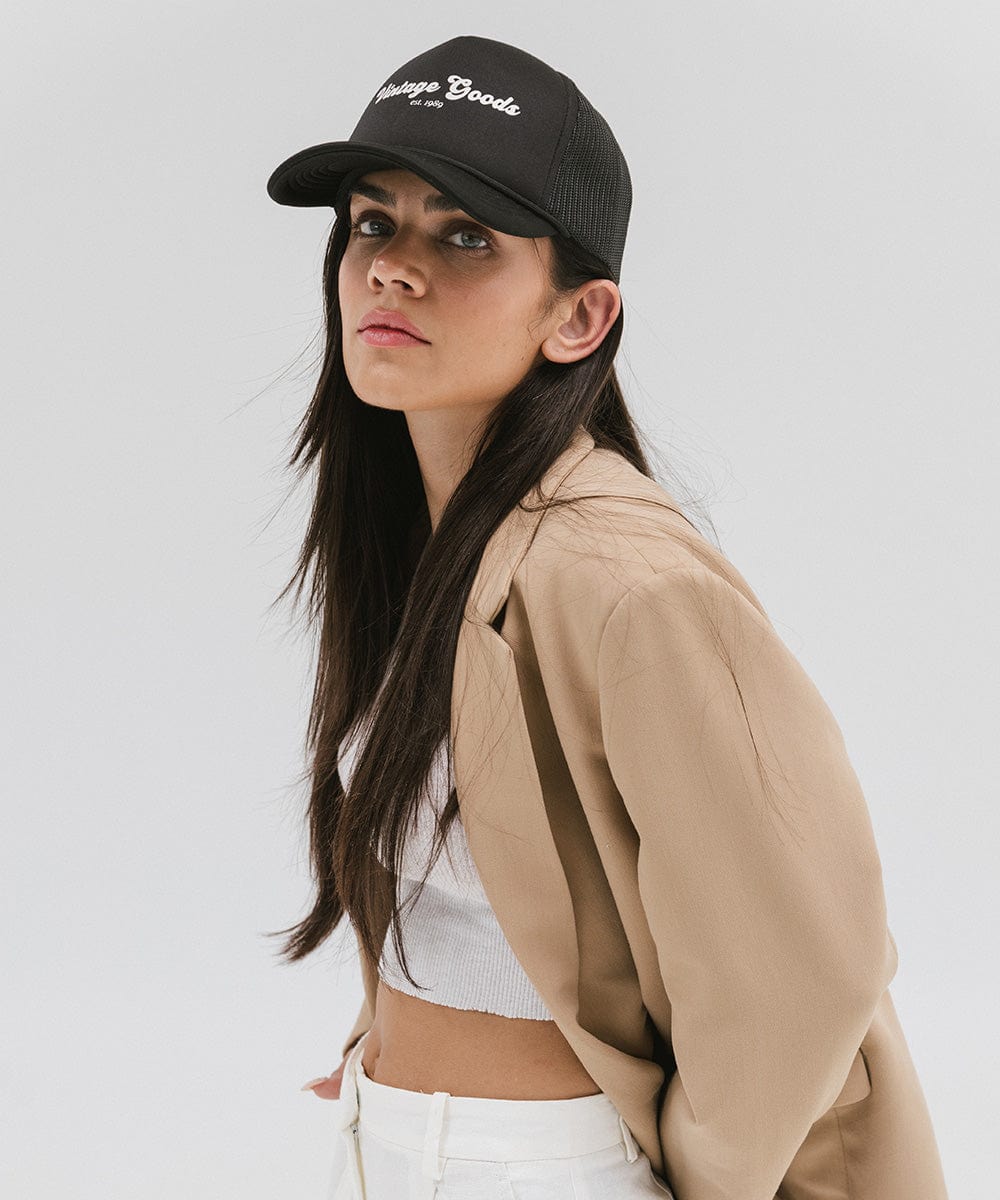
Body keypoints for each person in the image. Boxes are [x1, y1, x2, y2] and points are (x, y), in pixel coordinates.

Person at [265, 34, 949, 1200]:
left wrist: (698, 1173)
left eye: (464, 235)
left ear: (578, 318)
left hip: (537, 1168)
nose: (391, 267)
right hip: (390, 1147)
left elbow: (809, 965)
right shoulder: (438, 545)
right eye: (373, 222)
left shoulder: (629, 580)